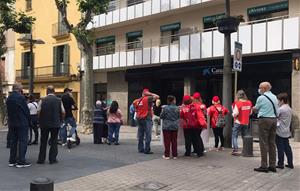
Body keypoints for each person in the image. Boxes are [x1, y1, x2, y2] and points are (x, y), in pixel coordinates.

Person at [253, 82, 278, 173]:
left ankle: (264, 165)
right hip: (274, 120)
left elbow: (256, 108)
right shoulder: (275, 97)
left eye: (260, 88)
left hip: (264, 120)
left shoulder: (261, 98)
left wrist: (253, 109)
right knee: (272, 143)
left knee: (263, 143)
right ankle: (272, 165)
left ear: (264, 88)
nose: (259, 89)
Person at [37, 85, 65, 164]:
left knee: (43, 141)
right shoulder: (59, 100)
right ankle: (52, 159)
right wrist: (61, 120)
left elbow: (38, 111)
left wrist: (40, 120)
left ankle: (41, 159)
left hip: (44, 124)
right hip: (55, 124)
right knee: (54, 141)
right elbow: (63, 112)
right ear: (54, 91)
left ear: (47, 91)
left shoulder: (42, 100)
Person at [7, 83, 31, 168]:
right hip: (21, 122)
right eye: (21, 87)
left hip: (12, 122)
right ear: (19, 88)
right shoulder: (21, 97)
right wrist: (29, 120)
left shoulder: (9, 97)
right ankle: (21, 161)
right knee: (23, 141)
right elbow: (26, 110)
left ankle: (12, 160)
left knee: (13, 141)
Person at [133, 88, 159, 154]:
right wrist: (150, 94)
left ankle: (140, 149)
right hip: (147, 117)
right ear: (146, 93)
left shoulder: (136, 101)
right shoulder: (147, 98)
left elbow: (135, 108)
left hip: (139, 118)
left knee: (140, 134)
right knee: (148, 134)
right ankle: (147, 149)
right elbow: (157, 96)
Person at [275, 93, 294, 169]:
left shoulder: (281, 109)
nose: (278, 102)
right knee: (287, 147)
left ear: (282, 100)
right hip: (286, 130)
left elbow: (275, 116)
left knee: (280, 148)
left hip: (279, 131)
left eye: (278, 100)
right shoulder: (289, 108)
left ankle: (280, 163)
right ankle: (290, 163)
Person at [231, 90, 252, 155]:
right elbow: (250, 113)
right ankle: (245, 149)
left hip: (238, 121)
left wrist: (232, 114)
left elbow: (235, 114)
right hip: (246, 122)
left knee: (234, 136)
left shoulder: (237, 103)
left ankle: (235, 150)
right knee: (244, 136)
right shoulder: (249, 102)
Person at [160, 95, 180, 160]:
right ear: (173, 100)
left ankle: (167, 155)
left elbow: (161, 116)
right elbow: (178, 116)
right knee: (174, 141)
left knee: (167, 141)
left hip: (166, 126)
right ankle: (175, 155)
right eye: (175, 99)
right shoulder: (177, 108)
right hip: (174, 126)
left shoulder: (165, 108)